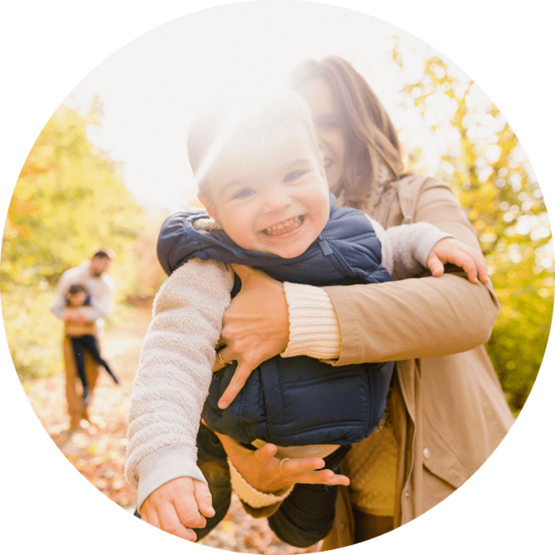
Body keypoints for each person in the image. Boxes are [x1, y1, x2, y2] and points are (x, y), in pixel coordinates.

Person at [125, 86, 489, 545]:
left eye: (293, 173)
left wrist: (429, 243)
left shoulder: (356, 228)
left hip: (336, 440)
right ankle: (192, 474)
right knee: (193, 506)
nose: (276, 202)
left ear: (320, 165)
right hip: (252, 436)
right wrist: (161, 455)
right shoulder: (209, 269)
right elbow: (171, 361)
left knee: (306, 531)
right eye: (244, 190)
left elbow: (391, 246)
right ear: (212, 208)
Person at [205, 56, 515, 549]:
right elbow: (227, 363)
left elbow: (471, 306)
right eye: (301, 116)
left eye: (329, 120)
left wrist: (296, 317)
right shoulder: (264, 236)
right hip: (349, 518)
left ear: (361, 125)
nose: (313, 131)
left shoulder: (418, 197)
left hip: (448, 481)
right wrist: (244, 463)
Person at [51, 248, 116, 431]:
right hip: (71, 330)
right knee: (71, 373)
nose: (105, 269)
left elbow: (105, 310)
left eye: (108, 266)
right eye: (103, 264)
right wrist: (71, 314)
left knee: (93, 372)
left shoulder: (107, 284)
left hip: (93, 331)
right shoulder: (71, 277)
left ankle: (86, 411)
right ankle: (74, 417)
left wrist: (84, 314)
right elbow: (57, 305)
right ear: (95, 260)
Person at [63, 284, 119, 405]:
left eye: (80, 296)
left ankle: (112, 375)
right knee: (79, 363)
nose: (77, 300)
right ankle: (85, 389)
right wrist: (70, 316)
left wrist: (87, 317)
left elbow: (103, 312)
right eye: (74, 297)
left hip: (88, 336)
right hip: (74, 338)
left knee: (97, 358)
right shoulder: (67, 306)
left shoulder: (91, 303)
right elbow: (58, 312)